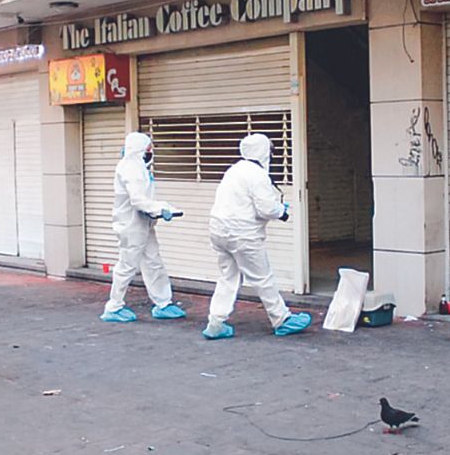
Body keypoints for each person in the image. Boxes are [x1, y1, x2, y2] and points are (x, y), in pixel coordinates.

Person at [203, 134, 311, 340]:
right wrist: (282, 211)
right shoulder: (258, 175)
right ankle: (281, 319)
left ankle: (216, 322)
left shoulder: (233, 170)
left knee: (228, 277)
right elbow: (267, 209)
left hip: (219, 231)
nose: (271, 154)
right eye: (270, 150)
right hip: (243, 234)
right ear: (263, 151)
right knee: (263, 278)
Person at [101, 132, 186, 323]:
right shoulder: (131, 168)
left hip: (142, 223)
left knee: (153, 261)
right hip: (131, 225)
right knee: (127, 265)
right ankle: (114, 306)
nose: (150, 152)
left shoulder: (138, 167)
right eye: (148, 149)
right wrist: (160, 208)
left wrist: (158, 209)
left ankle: (163, 302)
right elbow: (138, 200)